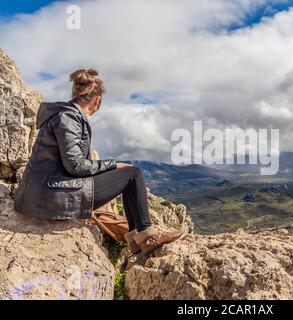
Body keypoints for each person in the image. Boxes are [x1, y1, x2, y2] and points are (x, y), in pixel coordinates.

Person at [14, 68, 182, 255]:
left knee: (128, 175)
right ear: (97, 100)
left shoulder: (66, 115)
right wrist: (112, 164)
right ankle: (146, 237)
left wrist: (107, 168)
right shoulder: (68, 118)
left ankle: (137, 241)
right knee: (133, 175)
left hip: (46, 190)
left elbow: (68, 163)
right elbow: (75, 166)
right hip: (50, 195)